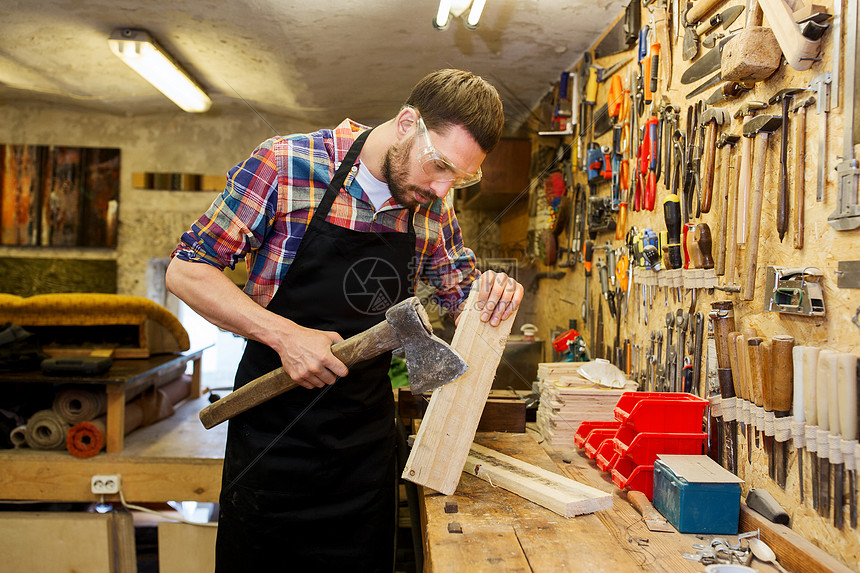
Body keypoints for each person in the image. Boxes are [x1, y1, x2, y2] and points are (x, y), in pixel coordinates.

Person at [166, 68, 524, 572]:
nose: (443, 190)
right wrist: (284, 335)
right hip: (273, 443)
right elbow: (186, 271)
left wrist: (494, 298)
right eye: (439, 165)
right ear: (406, 124)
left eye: (460, 179)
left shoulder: (429, 207)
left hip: (362, 451)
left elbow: (463, 298)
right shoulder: (286, 163)